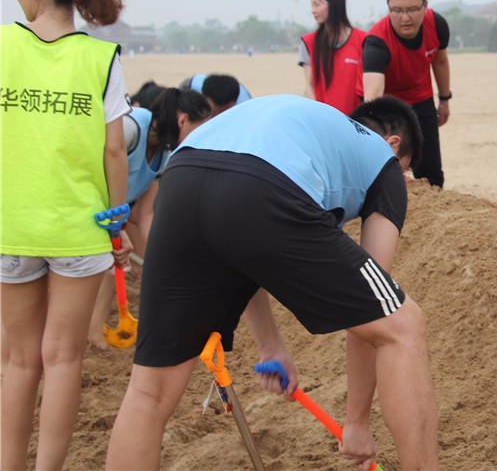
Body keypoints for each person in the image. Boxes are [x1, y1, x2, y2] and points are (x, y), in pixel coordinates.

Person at [105, 95, 439, 470]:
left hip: (183, 176)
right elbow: (371, 316)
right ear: (395, 147)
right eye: (407, 170)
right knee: (404, 325)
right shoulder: (385, 165)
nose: (405, 179)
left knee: (149, 392)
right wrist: (357, 422)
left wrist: (271, 346)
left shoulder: (312, 127)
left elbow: (239, 253)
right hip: (260, 182)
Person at [1, 0, 132, 471]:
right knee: (62, 359)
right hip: (81, 228)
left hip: (12, 224)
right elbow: (114, 151)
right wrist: (117, 222)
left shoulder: (4, 46)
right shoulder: (100, 58)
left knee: (16, 360)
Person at [87, 88, 211, 347]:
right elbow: (91, 163)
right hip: (89, 211)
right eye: (200, 128)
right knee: (101, 269)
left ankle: (94, 331)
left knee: (119, 265)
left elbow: (145, 214)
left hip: (112, 219)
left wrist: (156, 261)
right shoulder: (131, 127)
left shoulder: (165, 153)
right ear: (183, 120)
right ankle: (85, 332)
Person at [361, 0, 451, 188]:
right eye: (397, 10)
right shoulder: (376, 43)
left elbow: (439, 61)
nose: (405, 17)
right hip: (388, 106)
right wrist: (379, 133)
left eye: (411, 9)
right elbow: (372, 99)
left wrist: (445, 99)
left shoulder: (437, 25)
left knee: (431, 175)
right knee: (388, 170)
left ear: (425, 5)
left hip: (422, 101)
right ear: (388, 7)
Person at [300, 0, 367, 114]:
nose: (313, 10)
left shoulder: (363, 40)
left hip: (357, 122)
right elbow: (310, 86)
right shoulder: (308, 42)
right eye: (312, 5)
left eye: (317, 5)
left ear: (334, 4)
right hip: (324, 121)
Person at [179, 73, 252, 116]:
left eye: (221, 113)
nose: (215, 119)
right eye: (213, 114)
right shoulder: (188, 87)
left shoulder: (245, 106)